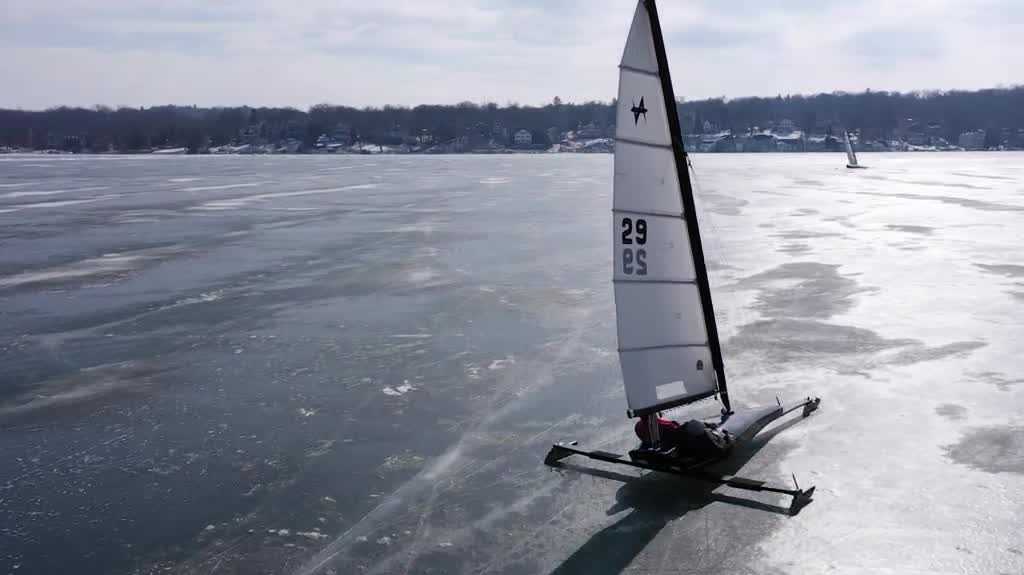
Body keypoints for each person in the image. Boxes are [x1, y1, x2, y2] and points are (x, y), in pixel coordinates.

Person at [634, 414, 732, 459]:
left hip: (666, 443)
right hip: (675, 445)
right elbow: (676, 434)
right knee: (694, 425)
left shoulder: (638, 426)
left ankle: (713, 426)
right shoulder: (663, 426)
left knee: (693, 425)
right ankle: (718, 437)